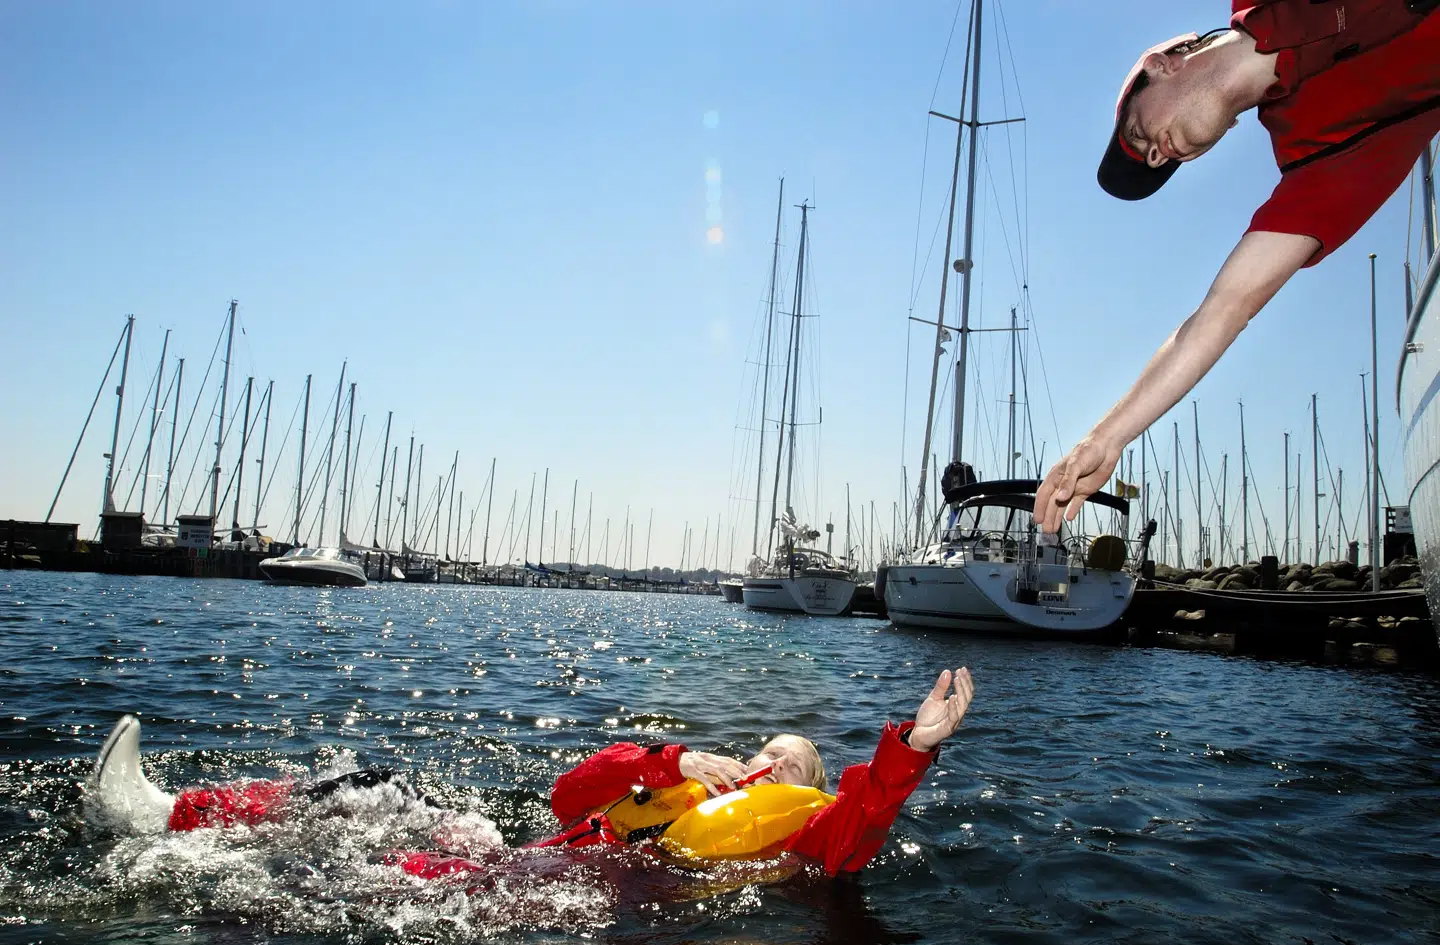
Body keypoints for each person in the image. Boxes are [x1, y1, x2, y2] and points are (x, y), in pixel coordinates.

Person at [1034, 1, 1439, 535]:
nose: (1156, 156)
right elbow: (1221, 311)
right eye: (1159, 165)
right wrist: (1106, 437)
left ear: (1163, 62)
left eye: (1137, 132)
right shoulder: (1319, 152)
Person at [90, 668, 975, 881]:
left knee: (366, 885)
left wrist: (913, 748)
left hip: (589, 898)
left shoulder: (810, 825)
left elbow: (863, 819)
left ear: (805, 785)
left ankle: (184, 912)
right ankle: (177, 815)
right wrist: (672, 757)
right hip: (528, 854)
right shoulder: (682, 781)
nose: (773, 763)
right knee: (372, 790)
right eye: (765, 752)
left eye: (793, 762)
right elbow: (569, 795)